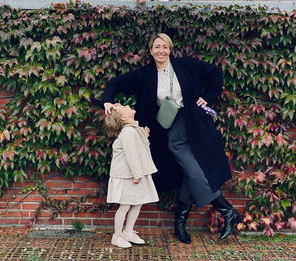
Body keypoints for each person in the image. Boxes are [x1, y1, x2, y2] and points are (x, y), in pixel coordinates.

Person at [102, 33, 241, 244]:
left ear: (170, 49)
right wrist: (107, 101)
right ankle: (225, 211)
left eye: (165, 47)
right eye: (157, 47)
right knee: (190, 170)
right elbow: (116, 83)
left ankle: (187, 222)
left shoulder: (185, 66)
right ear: (150, 50)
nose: (161, 51)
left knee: (191, 170)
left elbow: (215, 73)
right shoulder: (145, 74)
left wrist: (209, 97)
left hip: (194, 125)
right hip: (165, 130)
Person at [104, 103, 159, 248]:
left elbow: (139, 149)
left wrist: (144, 136)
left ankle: (128, 231)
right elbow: (132, 155)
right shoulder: (128, 132)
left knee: (137, 202)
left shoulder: (132, 129)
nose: (126, 104)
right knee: (125, 205)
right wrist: (137, 174)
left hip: (131, 174)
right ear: (124, 117)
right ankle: (117, 236)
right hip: (126, 176)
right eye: (122, 106)